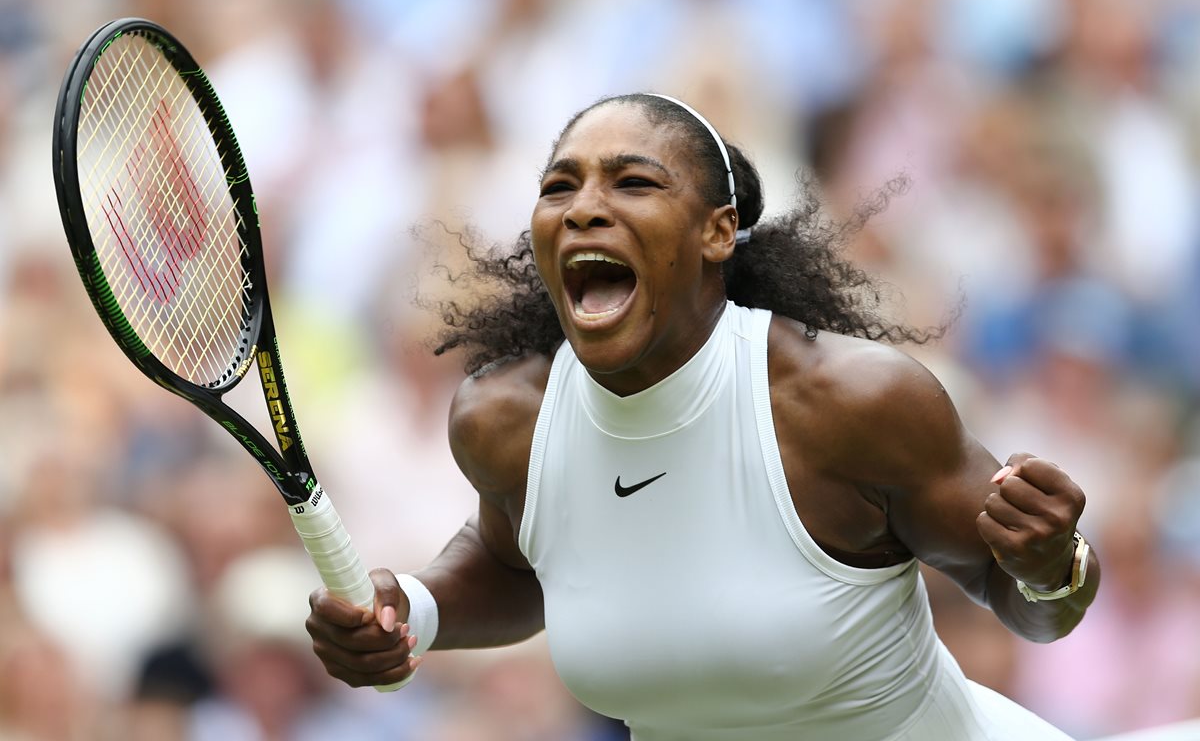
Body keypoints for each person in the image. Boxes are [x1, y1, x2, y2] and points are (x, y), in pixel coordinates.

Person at [306, 93, 1099, 740]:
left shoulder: (851, 405)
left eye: (633, 182)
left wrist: (1053, 566)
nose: (585, 208)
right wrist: (416, 608)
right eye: (559, 186)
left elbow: (1030, 605)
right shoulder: (505, 418)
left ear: (719, 230)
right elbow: (518, 563)